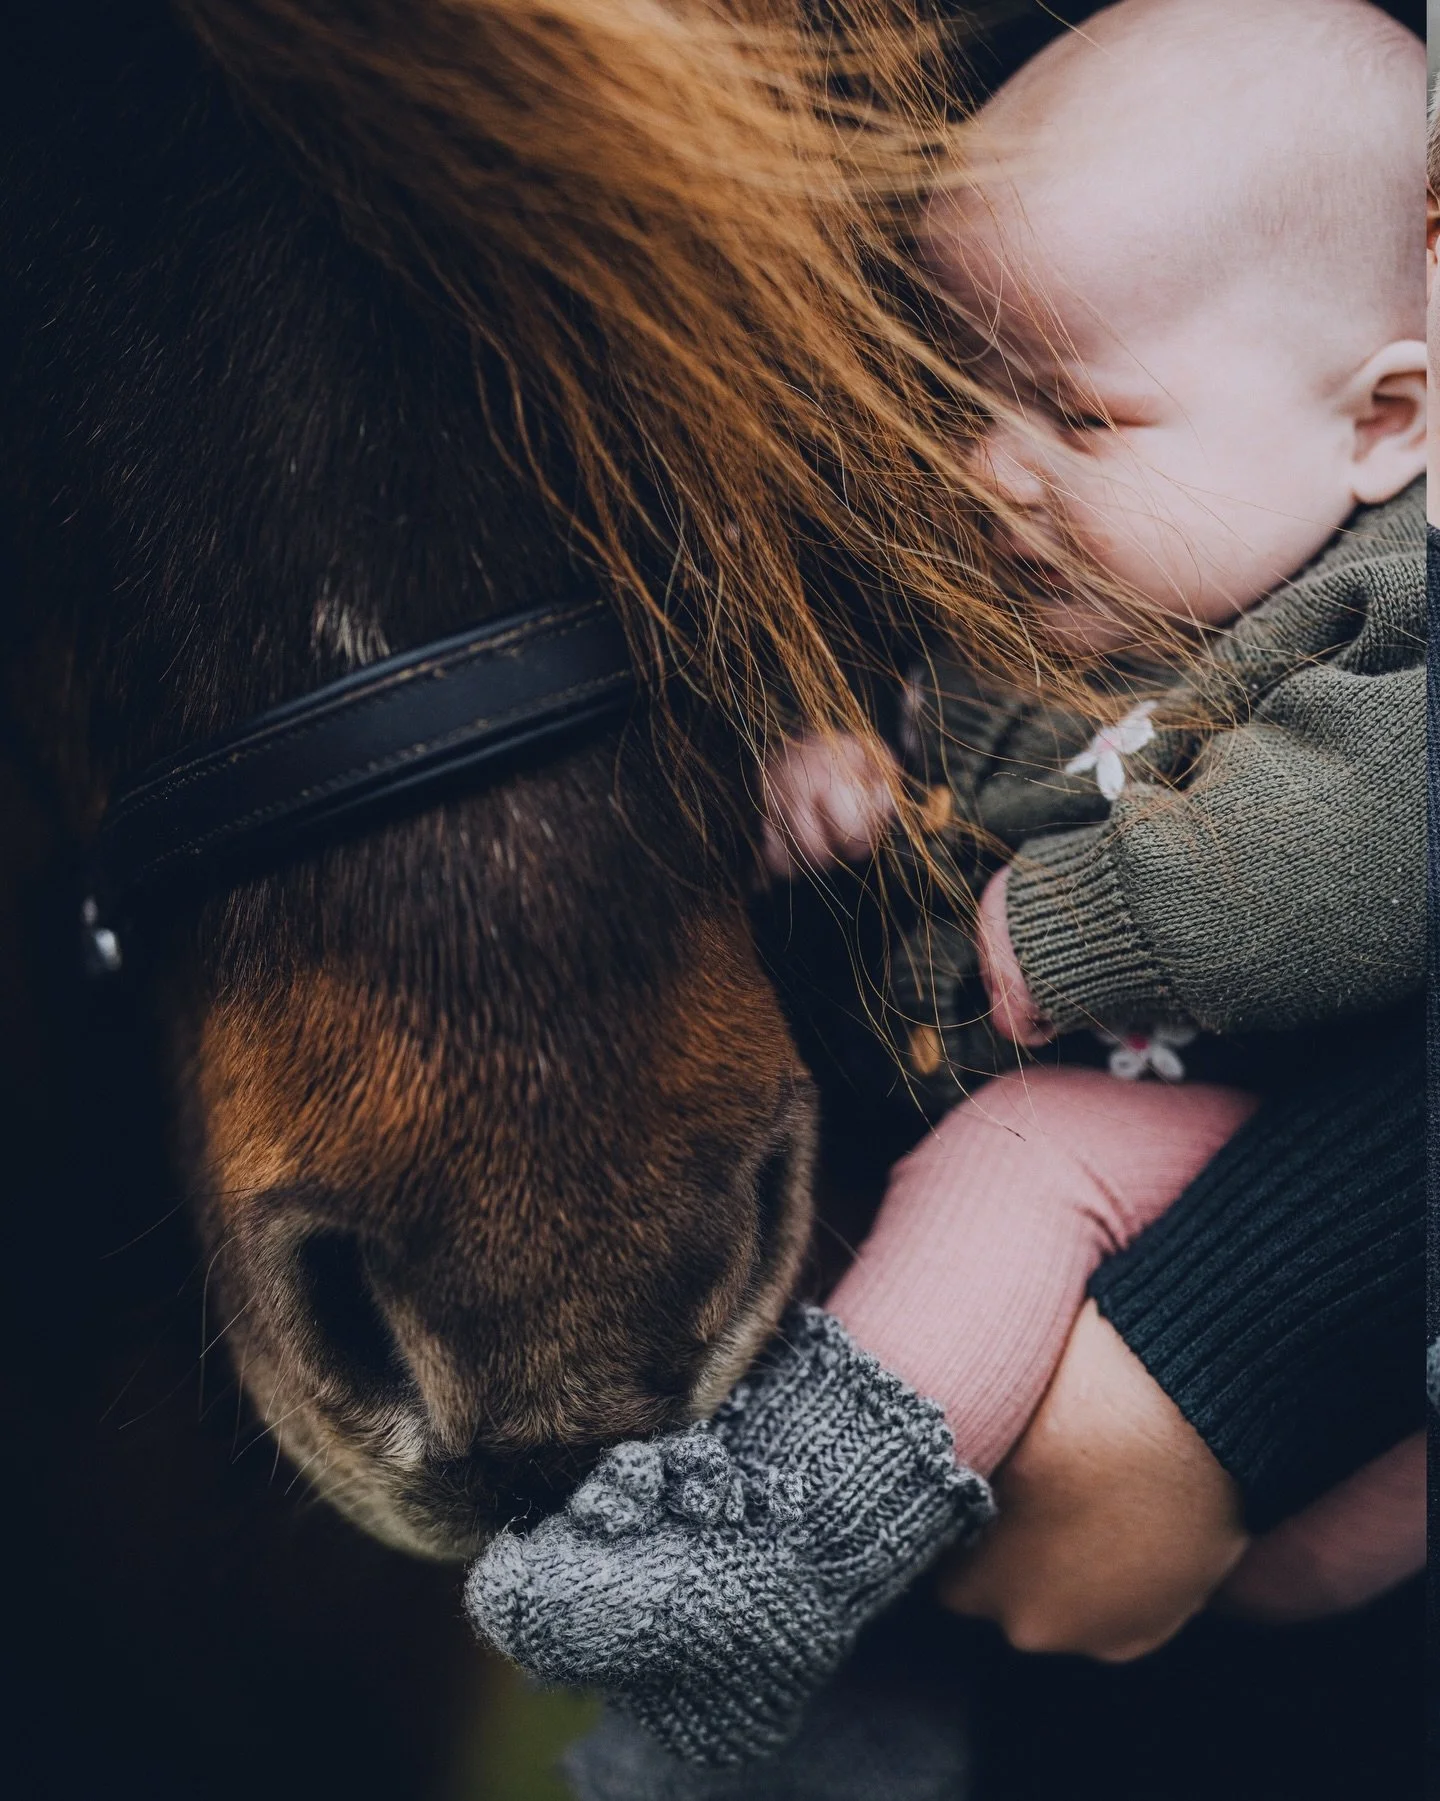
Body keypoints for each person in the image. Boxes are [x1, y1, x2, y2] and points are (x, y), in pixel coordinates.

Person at [463, 0, 1426, 1767]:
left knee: (1015, 1160)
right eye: (967, 394)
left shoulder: (1378, 621)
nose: (994, 473)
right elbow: (956, 768)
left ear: (1383, 421)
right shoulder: (1092, 569)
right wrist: (846, 772)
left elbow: (1358, 863)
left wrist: (1070, 923)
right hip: (1074, 1402)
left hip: (1272, 1199)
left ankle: (770, 1561)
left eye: (1078, 412)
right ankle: (754, 1659)